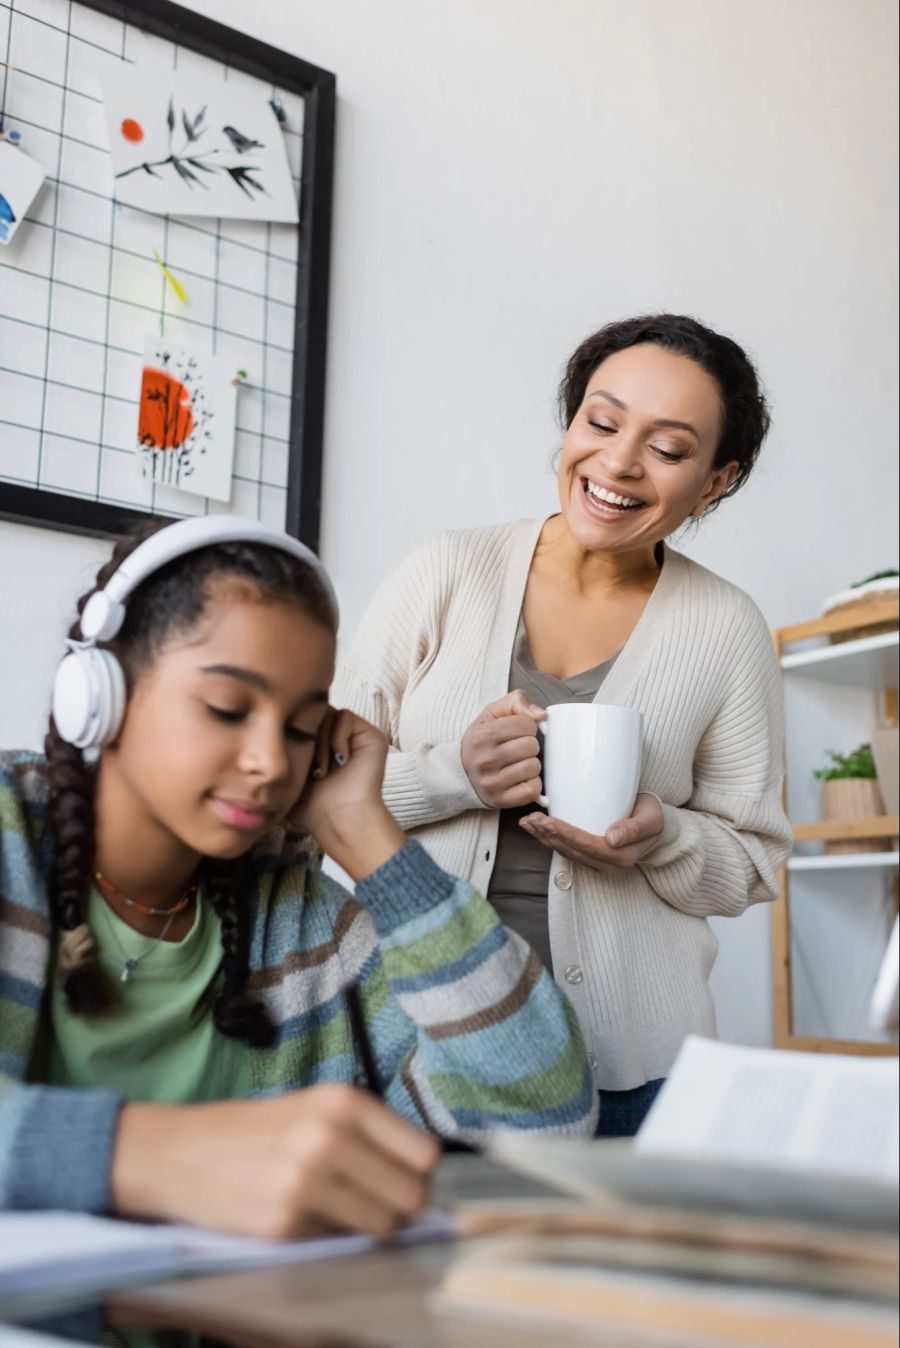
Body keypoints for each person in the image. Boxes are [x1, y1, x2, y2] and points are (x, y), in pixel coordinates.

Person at [0, 514, 596, 1236]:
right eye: (227, 708)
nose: (271, 762)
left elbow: (546, 1121)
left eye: (299, 727)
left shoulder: (306, 927)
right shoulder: (10, 841)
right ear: (97, 692)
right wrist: (160, 1157)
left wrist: (368, 839)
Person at [334, 314, 793, 1137]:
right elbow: (315, 789)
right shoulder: (446, 570)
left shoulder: (727, 628)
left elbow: (753, 862)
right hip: (414, 1042)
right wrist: (454, 777)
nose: (617, 463)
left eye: (669, 448)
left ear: (715, 481)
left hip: (631, 1070)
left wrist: (663, 838)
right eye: (602, 421)